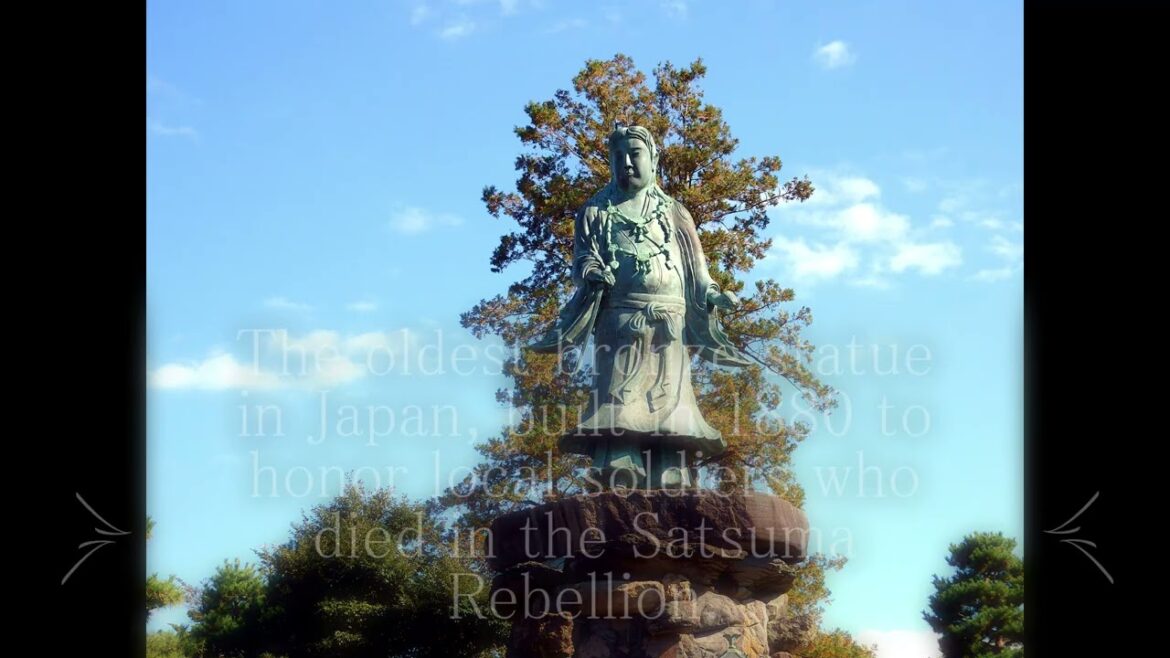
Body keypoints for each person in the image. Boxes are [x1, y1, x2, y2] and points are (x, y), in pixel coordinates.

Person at [530, 123, 752, 489]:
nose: (627, 164)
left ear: (654, 159)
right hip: (621, 319)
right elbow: (582, 260)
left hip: (669, 320)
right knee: (620, 391)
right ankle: (620, 461)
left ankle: (670, 465)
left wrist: (712, 293)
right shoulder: (595, 212)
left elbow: (697, 269)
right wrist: (591, 272)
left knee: (670, 395)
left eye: (635, 154)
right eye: (618, 157)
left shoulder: (676, 212)